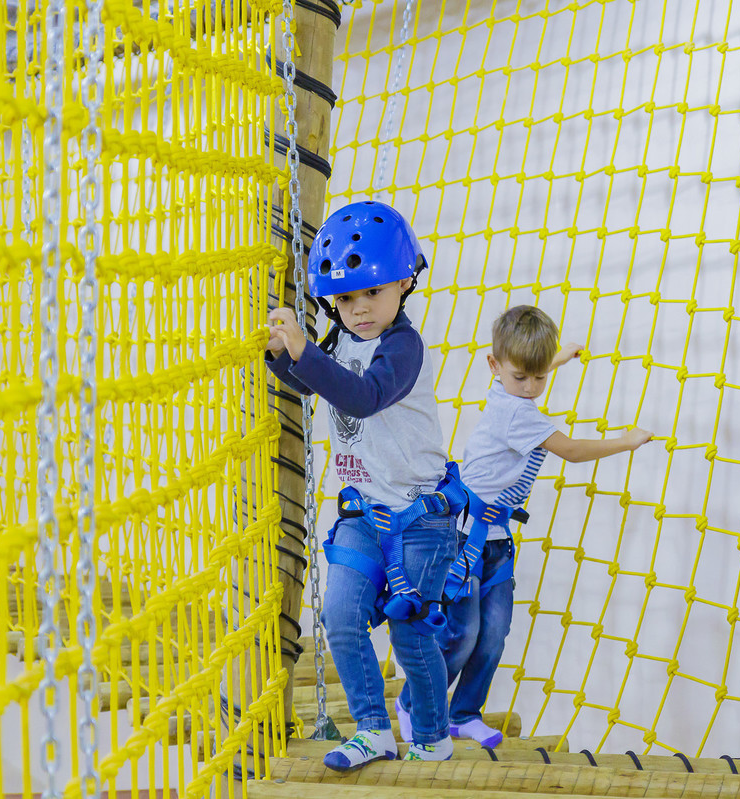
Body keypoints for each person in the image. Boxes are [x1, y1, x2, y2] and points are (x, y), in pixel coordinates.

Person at [396, 305, 655, 748]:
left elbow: (524, 370)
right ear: (495, 367)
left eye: (540, 377)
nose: (532, 387)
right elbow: (571, 451)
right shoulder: (519, 414)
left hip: (496, 539)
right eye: (523, 378)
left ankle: (462, 713)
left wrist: (559, 356)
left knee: (494, 635)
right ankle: (413, 703)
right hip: (462, 538)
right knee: (462, 635)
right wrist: (627, 441)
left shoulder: (508, 389)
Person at [266, 200, 459, 770]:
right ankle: (374, 729)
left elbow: (362, 397)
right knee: (341, 618)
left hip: (421, 519)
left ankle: (431, 736)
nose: (358, 310)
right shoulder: (339, 340)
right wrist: (282, 355)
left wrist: (304, 354)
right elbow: (311, 384)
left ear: (404, 281)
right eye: (345, 299)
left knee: (409, 630)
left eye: (371, 293)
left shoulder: (403, 347)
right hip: (362, 515)